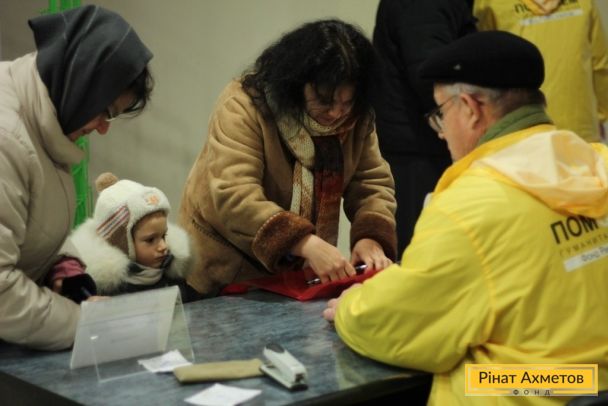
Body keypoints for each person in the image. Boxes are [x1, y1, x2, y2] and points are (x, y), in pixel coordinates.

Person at [323, 31, 608, 405]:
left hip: (541, 390)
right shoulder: (598, 162)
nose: (442, 134)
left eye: (441, 114)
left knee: (464, 374)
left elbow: (403, 324)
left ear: (471, 108)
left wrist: (352, 307)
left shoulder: (468, 206)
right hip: (593, 383)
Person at [179, 19, 397, 298]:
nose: (335, 113)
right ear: (296, 83)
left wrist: (370, 238)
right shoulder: (244, 104)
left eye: (347, 102)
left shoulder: (357, 117)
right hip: (225, 268)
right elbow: (234, 194)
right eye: (324, 100)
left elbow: (372, 185)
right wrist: (304, 243)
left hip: (295, 275)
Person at [0, 5, 153, 350]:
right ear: (81, 85)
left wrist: (63, 263)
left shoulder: (47, 115)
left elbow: (31, 220)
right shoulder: (7, 139)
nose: (102, 129)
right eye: (104, 112)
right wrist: (85, 323)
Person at [370, 0, 476, 253]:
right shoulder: (424, 5)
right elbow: (432, 76)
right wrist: (472, 126)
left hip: (420, 146)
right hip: (421, 151)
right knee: (428, 251)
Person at [473, 0, 608, 143]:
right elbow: (600, 63)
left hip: (524, 131)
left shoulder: (489, 4)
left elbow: (485, 70)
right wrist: (600, 115)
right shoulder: (584, 2)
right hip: (581, 129)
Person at [69, 173, 196, 299]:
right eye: (150, 240)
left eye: (164, 236)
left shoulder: (173, 274)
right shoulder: (103, 292)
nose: (163, 246)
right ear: (121, 244)